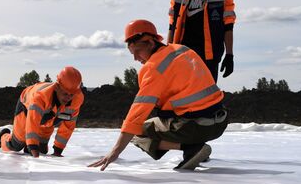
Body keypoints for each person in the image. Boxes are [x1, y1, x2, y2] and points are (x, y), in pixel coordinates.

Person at [89, 20, 228, 171]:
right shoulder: (183, 50)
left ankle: (191, 149)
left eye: (137, 51)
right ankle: (195, 150)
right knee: (170, 118)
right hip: (220, 122)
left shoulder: (154, 68)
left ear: (149, 42)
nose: (136, 58)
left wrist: (115, 151)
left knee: (136, 131)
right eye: (132, 53)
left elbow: (136, 115)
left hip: (195, 127)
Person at [168, 0, 236, 82]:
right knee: (184, 96)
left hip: (210, 55)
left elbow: (228, 26)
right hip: (182, 54)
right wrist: (166, 54)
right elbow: (172, 25)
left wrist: (229, 55)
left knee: (207, 97)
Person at [0, 67, 84, 158]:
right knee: (16, 145)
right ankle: (3, 137)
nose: (68, 97)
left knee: (42, 150)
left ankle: (28, 148)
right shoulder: (41, 97)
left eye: (71, 94)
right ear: (57, 87)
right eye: (65, 93)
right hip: (26, 109)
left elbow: (68, 126)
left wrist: (58, 150)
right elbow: (33, 121)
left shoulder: (77, 99)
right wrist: (32, 145)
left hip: (48, 119)